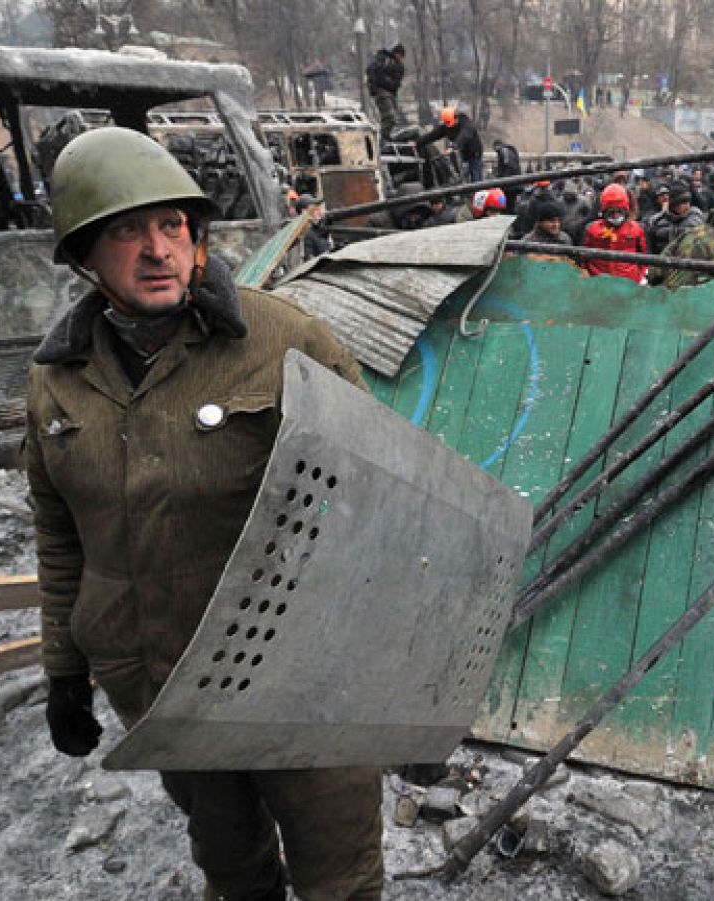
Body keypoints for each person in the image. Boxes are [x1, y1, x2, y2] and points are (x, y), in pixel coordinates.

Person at [26, 127, 383, 901]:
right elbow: (60, 537)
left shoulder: (283, 341)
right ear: (86, 254)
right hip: (161, 683)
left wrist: (404, 688)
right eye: (127, 230)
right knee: (231, 865)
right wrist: (64, 671)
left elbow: (382, 507)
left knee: (340, 879)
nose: (158, 249)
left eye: (173, 227)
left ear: (197, 239)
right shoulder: (55, 383)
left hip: (300, 680)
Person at [581, 183, 647, 283]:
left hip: (629, 284)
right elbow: (584, 259)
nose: (616, 216)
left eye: (619, 211)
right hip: (599, 283)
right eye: (611, 212)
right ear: (604, 212)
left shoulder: (636, 229)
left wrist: (641, 277)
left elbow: (644, 257)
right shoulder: (592, 229)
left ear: (625, 211)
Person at [415, 107, 483, 183]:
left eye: (449, 123)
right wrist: (417, 142)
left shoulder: (467, 124)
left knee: (476, 178)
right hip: (461, 154)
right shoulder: (447, 125)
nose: (449, 126)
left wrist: (453, 147)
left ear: (456, 117)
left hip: (474, 153)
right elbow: (433, 135)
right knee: (461, 177)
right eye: (446, 124)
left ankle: (478, 190)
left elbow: (464, 136)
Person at [645, 179, 705, 255]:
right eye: (682, 203)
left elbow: (685, 232)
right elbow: (650, 246)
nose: (687, 206)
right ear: (674, 205)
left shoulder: (694, 216)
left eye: (688, 202)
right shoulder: (657, 219)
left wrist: (660, 232)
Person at [366, 44, 406, 136]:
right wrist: (374, 87)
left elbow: (397, 81)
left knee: (392, 118)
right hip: (382, 92)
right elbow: (371, 71)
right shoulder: (384, 59)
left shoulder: (398, 65)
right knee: (389, 117)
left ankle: (385, 137)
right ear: (397, 53)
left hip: (391, 93)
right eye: (400, 55)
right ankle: (383, 139)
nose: (400, 58)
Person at [298, 193, 332, 258]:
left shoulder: (321, 229)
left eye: (318, 207)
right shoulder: (307, 235)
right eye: (315, 209)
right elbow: (310, 262)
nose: (320, 211)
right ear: (304, 212)